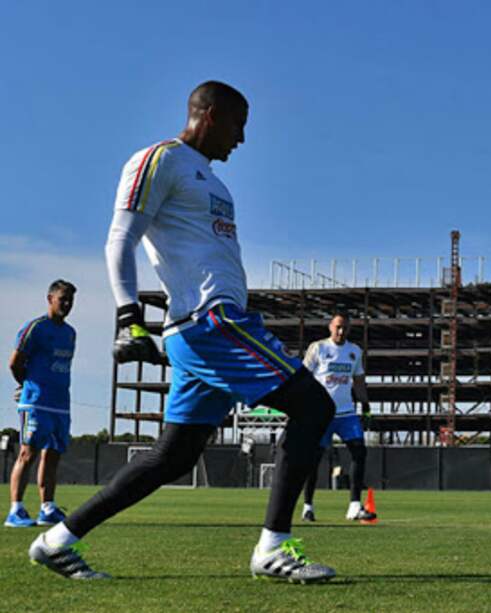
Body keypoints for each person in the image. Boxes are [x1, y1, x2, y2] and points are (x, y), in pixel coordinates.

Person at [28, 81, 337, 582]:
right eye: (238, 125)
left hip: (206, 326)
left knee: (172, 457)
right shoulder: (160, 159)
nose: (241, 140)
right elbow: (120, 237)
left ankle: (56, 540)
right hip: (210, 323)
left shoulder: (214, 184)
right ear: (210, 115)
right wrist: (129, 315)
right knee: (315, 405)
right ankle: (273, 547)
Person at [6, 280, 77, 528]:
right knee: (28, 452)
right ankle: (16, 510)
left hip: (61, 404)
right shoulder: (35, 328)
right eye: (62, 299)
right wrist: (26, 385)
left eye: (70, 300)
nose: (67, 305)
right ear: (50, 299)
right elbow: (15, 363)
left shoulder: (70, 333)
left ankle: (47, 508)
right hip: (36, 403)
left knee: (53, 454)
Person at [301, 313, 375, 522]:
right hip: (321, 414)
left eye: (345, 328)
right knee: (314, 460)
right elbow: (304, 378)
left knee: (359, 452)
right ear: (330, 327)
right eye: (338, 327)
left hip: (346, 413)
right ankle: (308, 506)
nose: (341, 332)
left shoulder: (354, 351)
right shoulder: (318, 348)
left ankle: (354, 505)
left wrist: (366, 407)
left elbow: (358, 381)